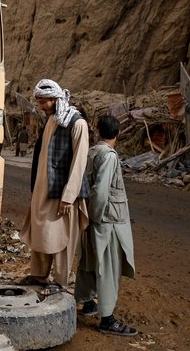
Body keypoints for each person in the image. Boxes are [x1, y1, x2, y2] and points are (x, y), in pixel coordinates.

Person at [19, 79, 89, 289]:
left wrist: (69, 196)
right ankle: (39, 275)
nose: (40, 106)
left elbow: (79, 163)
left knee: (62, 238)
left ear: (55, 99)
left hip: (64, 195)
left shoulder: (77, 123)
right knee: (42, 234)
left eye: (43, 102)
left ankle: (60, 281)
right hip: (43, 192)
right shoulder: (51, 120)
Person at [74, 115, 137, 336]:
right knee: (109, 268)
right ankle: (107, 319)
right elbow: (101, 191)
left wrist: (90, 217)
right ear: (118, 134)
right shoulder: (109, 156)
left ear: (98, 131)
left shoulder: (92, 151)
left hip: (95, 218)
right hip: (107, 220)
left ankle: (88, 301)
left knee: (91, 261)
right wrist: (97, 217)